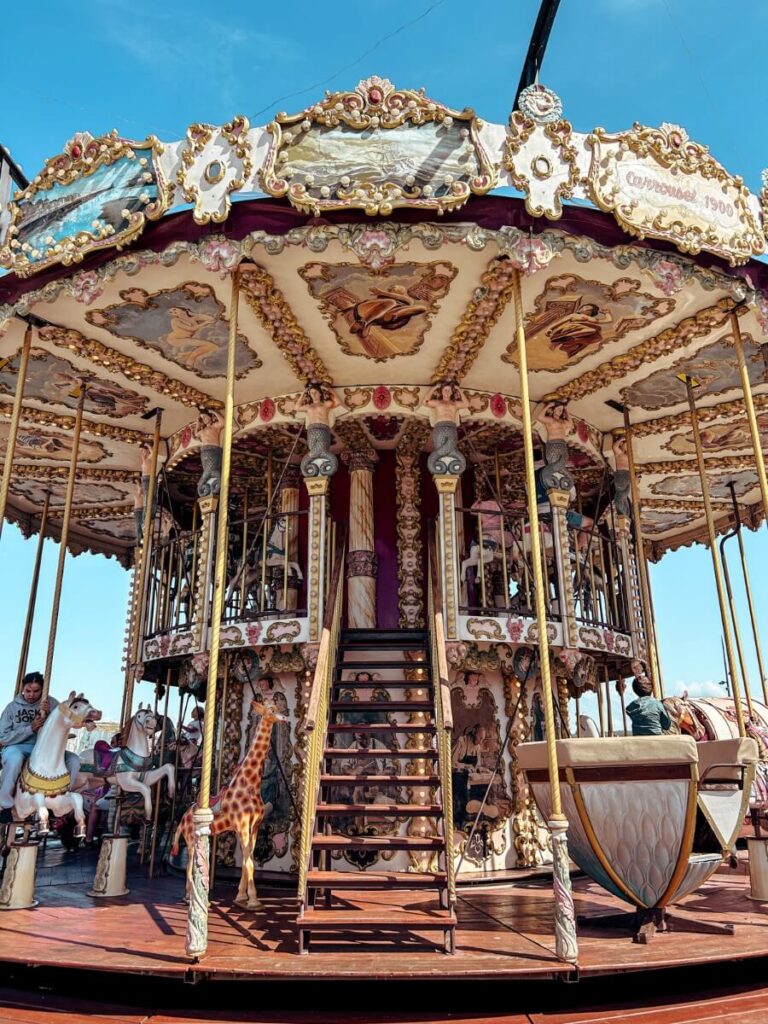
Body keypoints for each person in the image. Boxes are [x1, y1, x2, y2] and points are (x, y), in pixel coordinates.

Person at [0, 671, 81, 821]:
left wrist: (51, 714)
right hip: (18, 746)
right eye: (28, 691)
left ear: (43, 690)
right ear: (22, 688)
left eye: (36, 691)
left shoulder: (52, 704)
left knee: (74, 761)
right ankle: (4, 804)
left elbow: (70, 722)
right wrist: (30, 729)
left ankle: (61, 799)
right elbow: (3, 737)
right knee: (15, 760)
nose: (31, 694)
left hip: (45, 750)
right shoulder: (12, 708)